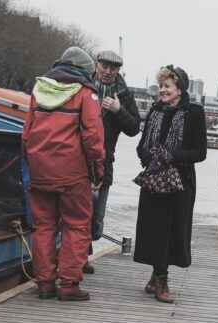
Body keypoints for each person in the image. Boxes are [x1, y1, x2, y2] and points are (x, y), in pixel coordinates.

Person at [21, 46, 105, 301]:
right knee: (77, 225)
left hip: (40, 171)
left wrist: (33, 164)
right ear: (86, 72)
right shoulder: (86, 94)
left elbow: (26, 136)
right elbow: (93, 138)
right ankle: (69, 286)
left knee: (43, 226)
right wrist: (98, 170)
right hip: (72, 173)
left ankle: (45, 284)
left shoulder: (39, 90)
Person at [134, 65, 207, 304]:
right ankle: (159, 276)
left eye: (167, 86)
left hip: (180, 181)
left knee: (172, 231)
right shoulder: (154, 111)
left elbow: (200, 152)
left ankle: (160, 277)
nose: (163, 91)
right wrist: (150, 159)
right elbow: (141, 146)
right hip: (154, 178)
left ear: (179, 89)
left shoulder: (194, 113)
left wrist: (172, 156)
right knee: (154, 229)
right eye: (161, 86)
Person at [83, 50, 142, 275]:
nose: (108, 72)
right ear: (96, 65)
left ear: (118, 71)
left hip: (105, 163)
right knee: (78, 213)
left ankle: (91, 240)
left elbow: (134, 128)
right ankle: (81, 258)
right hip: (78, 160)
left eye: (113, 68)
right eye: (104, 66)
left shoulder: (124, 94)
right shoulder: (83, 86)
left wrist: (119, 111)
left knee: (96, 218)